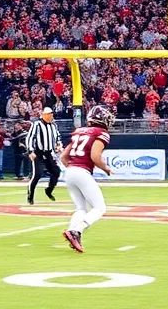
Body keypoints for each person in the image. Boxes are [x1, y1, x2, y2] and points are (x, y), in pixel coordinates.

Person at [60, 105, 115, 254]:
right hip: (81, 171)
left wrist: (73, 168)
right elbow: (95, 156)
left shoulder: (79, 131)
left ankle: (71, 231)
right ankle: (77, 231)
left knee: (80, 208)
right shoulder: (101, 133)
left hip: (69, 171)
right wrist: (106, 169)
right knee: (99, 208)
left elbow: (63, 157)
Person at [26, 107, 61, 205]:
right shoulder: (37, 124)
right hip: (39, 153)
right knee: (37, 175)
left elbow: (57, 137)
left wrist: (58, 145)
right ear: (44, 115)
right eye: (49, 114)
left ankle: (49, 190)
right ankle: (30, 195)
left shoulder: (53, 125)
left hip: (48, 153)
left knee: (56, 172)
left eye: (52, 114)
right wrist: (30, 151)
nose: (51, 116)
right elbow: (30, 137)